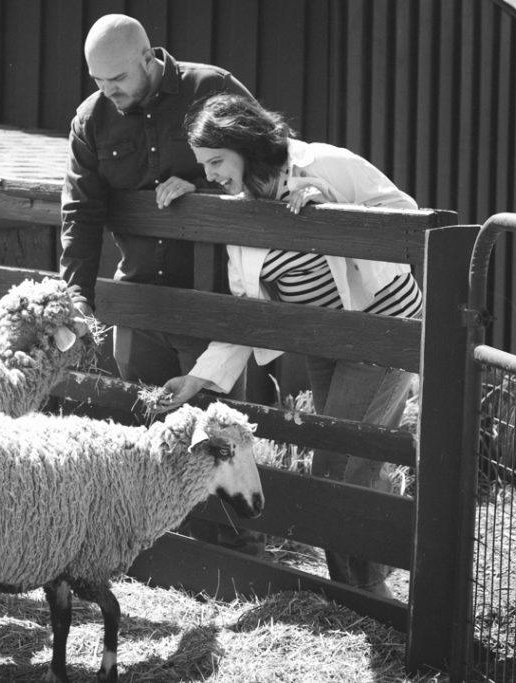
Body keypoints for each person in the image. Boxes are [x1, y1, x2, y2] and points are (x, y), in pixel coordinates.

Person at [153, 92, 422, 597]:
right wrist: (197, 377)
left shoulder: (326, 164)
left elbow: (407, 216)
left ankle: (367, 595)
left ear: (245, 147)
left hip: (384, 329)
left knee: (337, 464)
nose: (209, 175)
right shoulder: (243, 212)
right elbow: (248, 312)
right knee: (348, 458)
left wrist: (332, 209)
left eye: (216, 161)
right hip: (324, 338)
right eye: (203, 164)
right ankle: (359, 589)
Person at [59, 13, 254, 389]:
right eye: (98, 80)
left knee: (214, 423)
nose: (108, 90)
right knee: (141, 422)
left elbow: (269, 166)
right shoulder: (90, 121)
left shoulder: (213, 89)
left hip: (213, 306)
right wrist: (77, 297)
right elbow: (80, 213)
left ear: (148, 58)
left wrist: (205, 186)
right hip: (139, 307)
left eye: (118, 78)